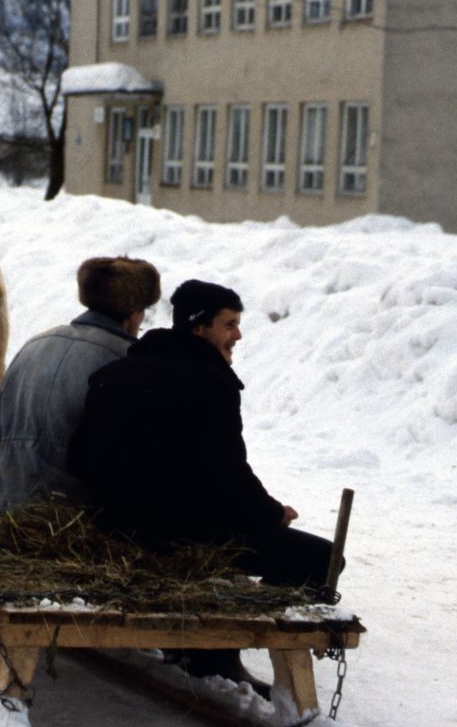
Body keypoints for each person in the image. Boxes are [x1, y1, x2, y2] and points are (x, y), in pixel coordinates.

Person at [68, 279, 337, 696]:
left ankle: (196, 641)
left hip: (114, 526)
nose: (238, 335)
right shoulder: (211, 382)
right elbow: (227, 474)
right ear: (198, 328)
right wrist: (272, 514)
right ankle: (216, 649)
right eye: (229, 325)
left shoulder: (114, 372)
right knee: (321, 559)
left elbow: (77, 458)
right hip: (182, 534)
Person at [0, 256, 160, 513]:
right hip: (76, 525)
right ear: (134, 316)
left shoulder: (34, 345)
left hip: (9, 511)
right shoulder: (128, 363)